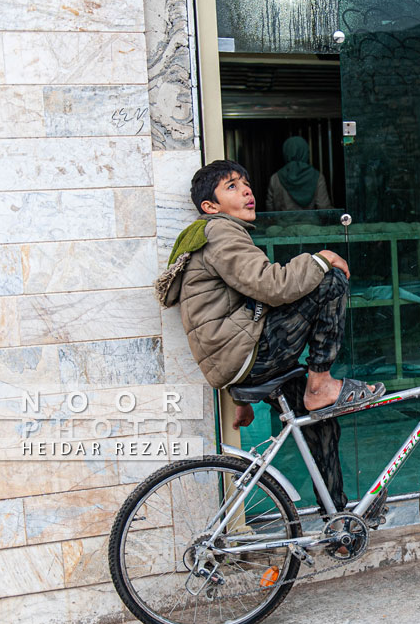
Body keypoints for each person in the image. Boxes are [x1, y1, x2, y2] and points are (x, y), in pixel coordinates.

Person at [155, 159, 383, 513]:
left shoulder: (214, 236)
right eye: (232, 186)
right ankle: (320, 384)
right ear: (210, 207)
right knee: (330, 282)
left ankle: (337, 520)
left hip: (245, 361)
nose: (247, 190)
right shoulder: (220, 232)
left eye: (246, 183)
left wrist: (240, 396)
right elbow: (270, 287)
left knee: (320, 424)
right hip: (250, 355)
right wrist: (320, 258)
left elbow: (233, 315)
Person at [267, 136, 332, 212]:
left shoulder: (275, 178)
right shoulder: (317, 176)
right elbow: (323, 207)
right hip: (311, 223)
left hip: (284, 223)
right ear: (305, 152)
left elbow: (270, 208)